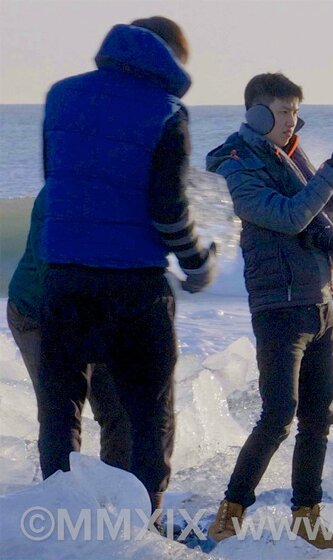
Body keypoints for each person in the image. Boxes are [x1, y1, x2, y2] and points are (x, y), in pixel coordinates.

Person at [36, 16, 215, 517]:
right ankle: (142, 522)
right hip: (134, 286)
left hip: (64, 278)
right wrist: (199, 264)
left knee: (60, 410)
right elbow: (168, 210)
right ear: (172, 56)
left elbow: (57, 180)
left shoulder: (60, 96)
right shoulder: (167, 112)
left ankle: (59, 517)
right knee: (149, 414)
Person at [205, 73, 333, 549]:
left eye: (296, 111)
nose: (291, 121)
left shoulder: (290, 155)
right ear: (256, 114)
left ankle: (307, 521)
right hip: (278, 306)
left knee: (318, 417)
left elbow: (332, 204)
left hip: (320, 302)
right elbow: (289, 215)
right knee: (278, 414)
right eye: (282, 112)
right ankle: (230, 513)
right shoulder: (237, 165)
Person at [8, 186, 132, 471]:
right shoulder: (60, 194)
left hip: (90, 314)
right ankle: (61, 504)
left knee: (118, 410)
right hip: (36, 314)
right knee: (61, 413)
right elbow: (51, 271)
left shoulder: (116, 188)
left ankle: (114, 497)